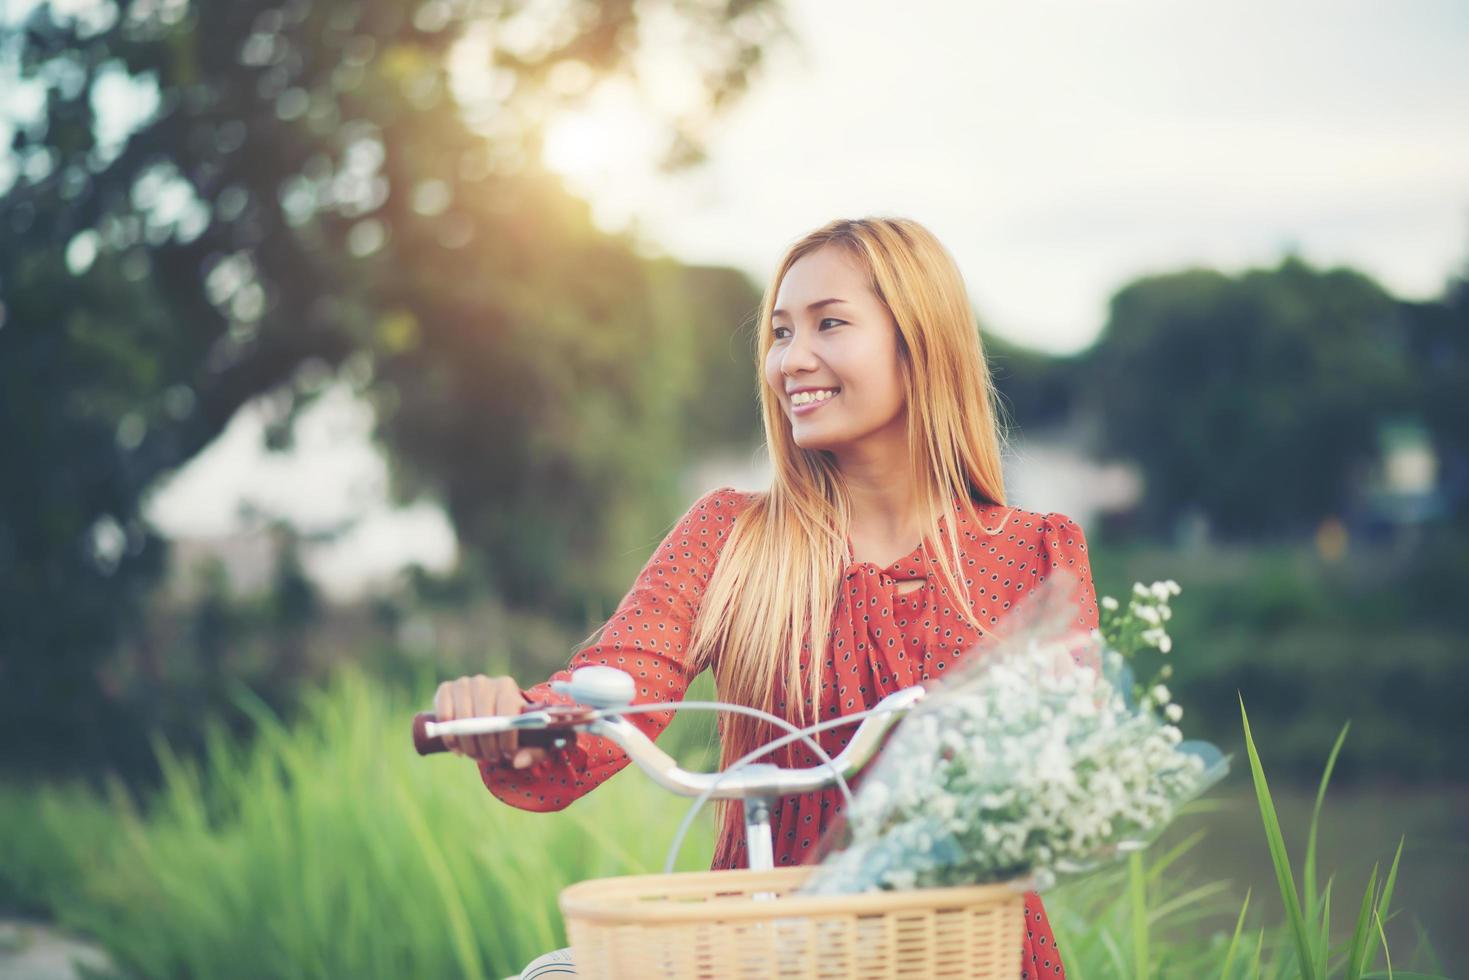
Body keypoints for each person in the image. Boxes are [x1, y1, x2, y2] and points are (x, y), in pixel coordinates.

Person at [434, 216, 1096, 979]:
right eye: (780, 332)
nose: (791, 359)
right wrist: (522, 723)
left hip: (956, 949)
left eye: (829, 324)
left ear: (919, 344)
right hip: (767, 941)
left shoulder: (1034, 552)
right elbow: (625, 682)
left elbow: (1059, 781)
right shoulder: (731, 536)